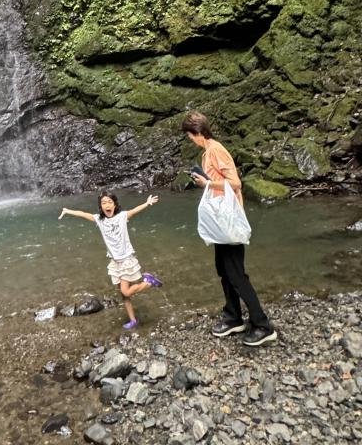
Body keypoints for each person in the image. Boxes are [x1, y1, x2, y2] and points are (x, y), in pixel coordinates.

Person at [182, 110, 277, 347]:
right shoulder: (207, 153)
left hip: (229, 220)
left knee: (236, 274)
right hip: (219, 221)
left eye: (189, 136)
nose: (189, 140)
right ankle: (234, 317)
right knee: (224, 270)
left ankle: (263, 325)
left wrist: (207, 182)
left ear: (198, 132)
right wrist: (204, 181)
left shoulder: (216, 150)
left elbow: (236, 183)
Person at [59, 190, 163, 330]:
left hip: (126, 259)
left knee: (126, 291)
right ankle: (133, 320)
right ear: (100, 206)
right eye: (103, 203)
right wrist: (67, 210)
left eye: (109, 202)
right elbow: (83, 214)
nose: (107, 205)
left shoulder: (122, 216)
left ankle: (148, 282)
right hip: (115, 262)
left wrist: (147, 203)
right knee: (123, 295)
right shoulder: (99, 220)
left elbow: (134, 211)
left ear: (115, 204)